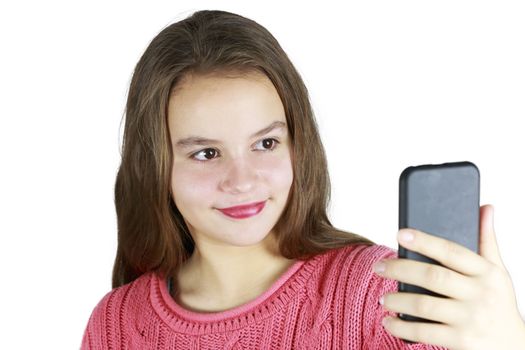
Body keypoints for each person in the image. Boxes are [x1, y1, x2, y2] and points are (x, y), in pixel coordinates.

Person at [81, 9, 525, 349]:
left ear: (298, 144)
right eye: (206, 153)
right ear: (155, 165)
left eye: (266, 144)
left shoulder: (380, 293)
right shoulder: (117, 324)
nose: (242, 180)